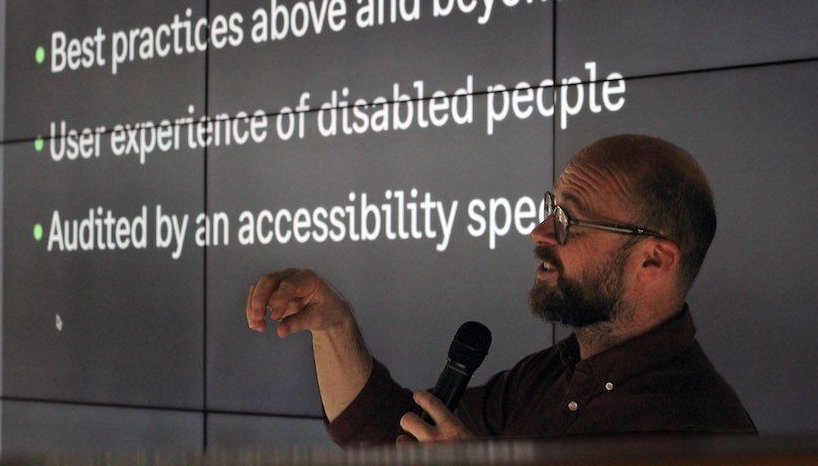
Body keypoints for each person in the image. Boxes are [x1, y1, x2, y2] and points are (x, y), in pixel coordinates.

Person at [245, 134, 756, 444]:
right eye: (550, 208)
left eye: (569, 220)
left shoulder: (699, 429)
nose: (540, 232)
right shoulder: (547, 376)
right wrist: (335, 326)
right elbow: (388, 435)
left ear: (653, 259)